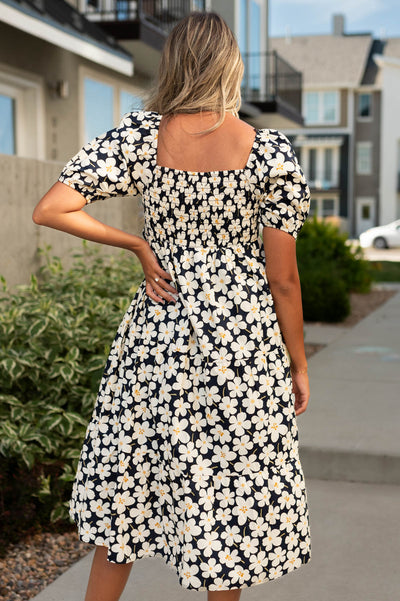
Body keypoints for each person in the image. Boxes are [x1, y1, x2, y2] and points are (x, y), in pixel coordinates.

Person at [32, 11, 311, 601]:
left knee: (127, 497)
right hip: (243, 344)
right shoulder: (270, 154)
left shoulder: (140, 136)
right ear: (230, 64)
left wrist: (138, 243)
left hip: (160, 331)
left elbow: (52, 208)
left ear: (175, 62)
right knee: (229, 509)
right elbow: (283, 281)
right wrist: (299, 363)